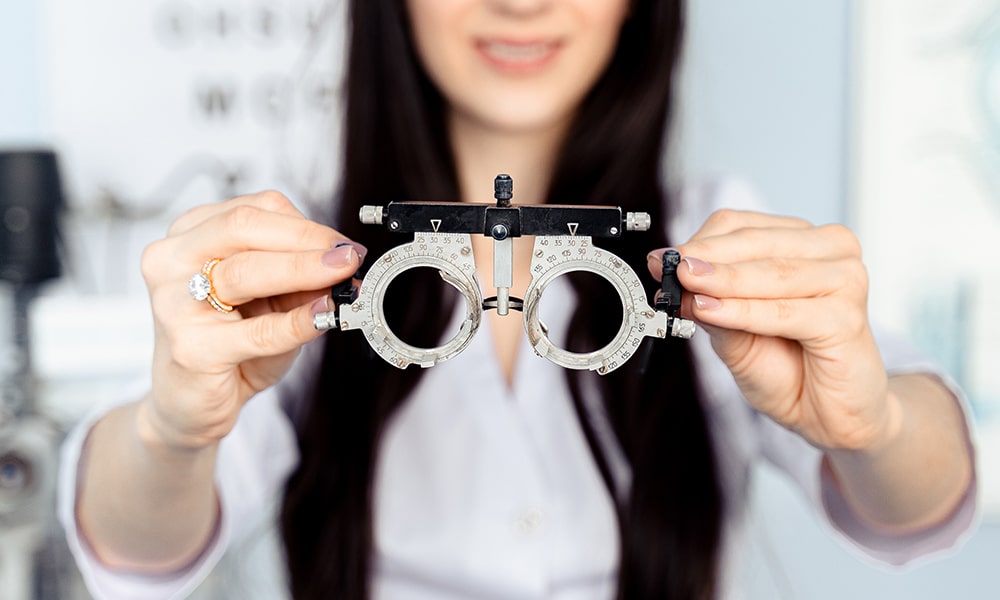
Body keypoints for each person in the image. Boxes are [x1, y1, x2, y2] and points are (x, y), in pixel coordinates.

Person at [58, 0, 979, 599]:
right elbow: (139, 551)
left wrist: (876, 427)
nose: (522, 4)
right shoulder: (298, 249)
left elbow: (921, 507)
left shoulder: (710, 239)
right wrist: (171, 430)